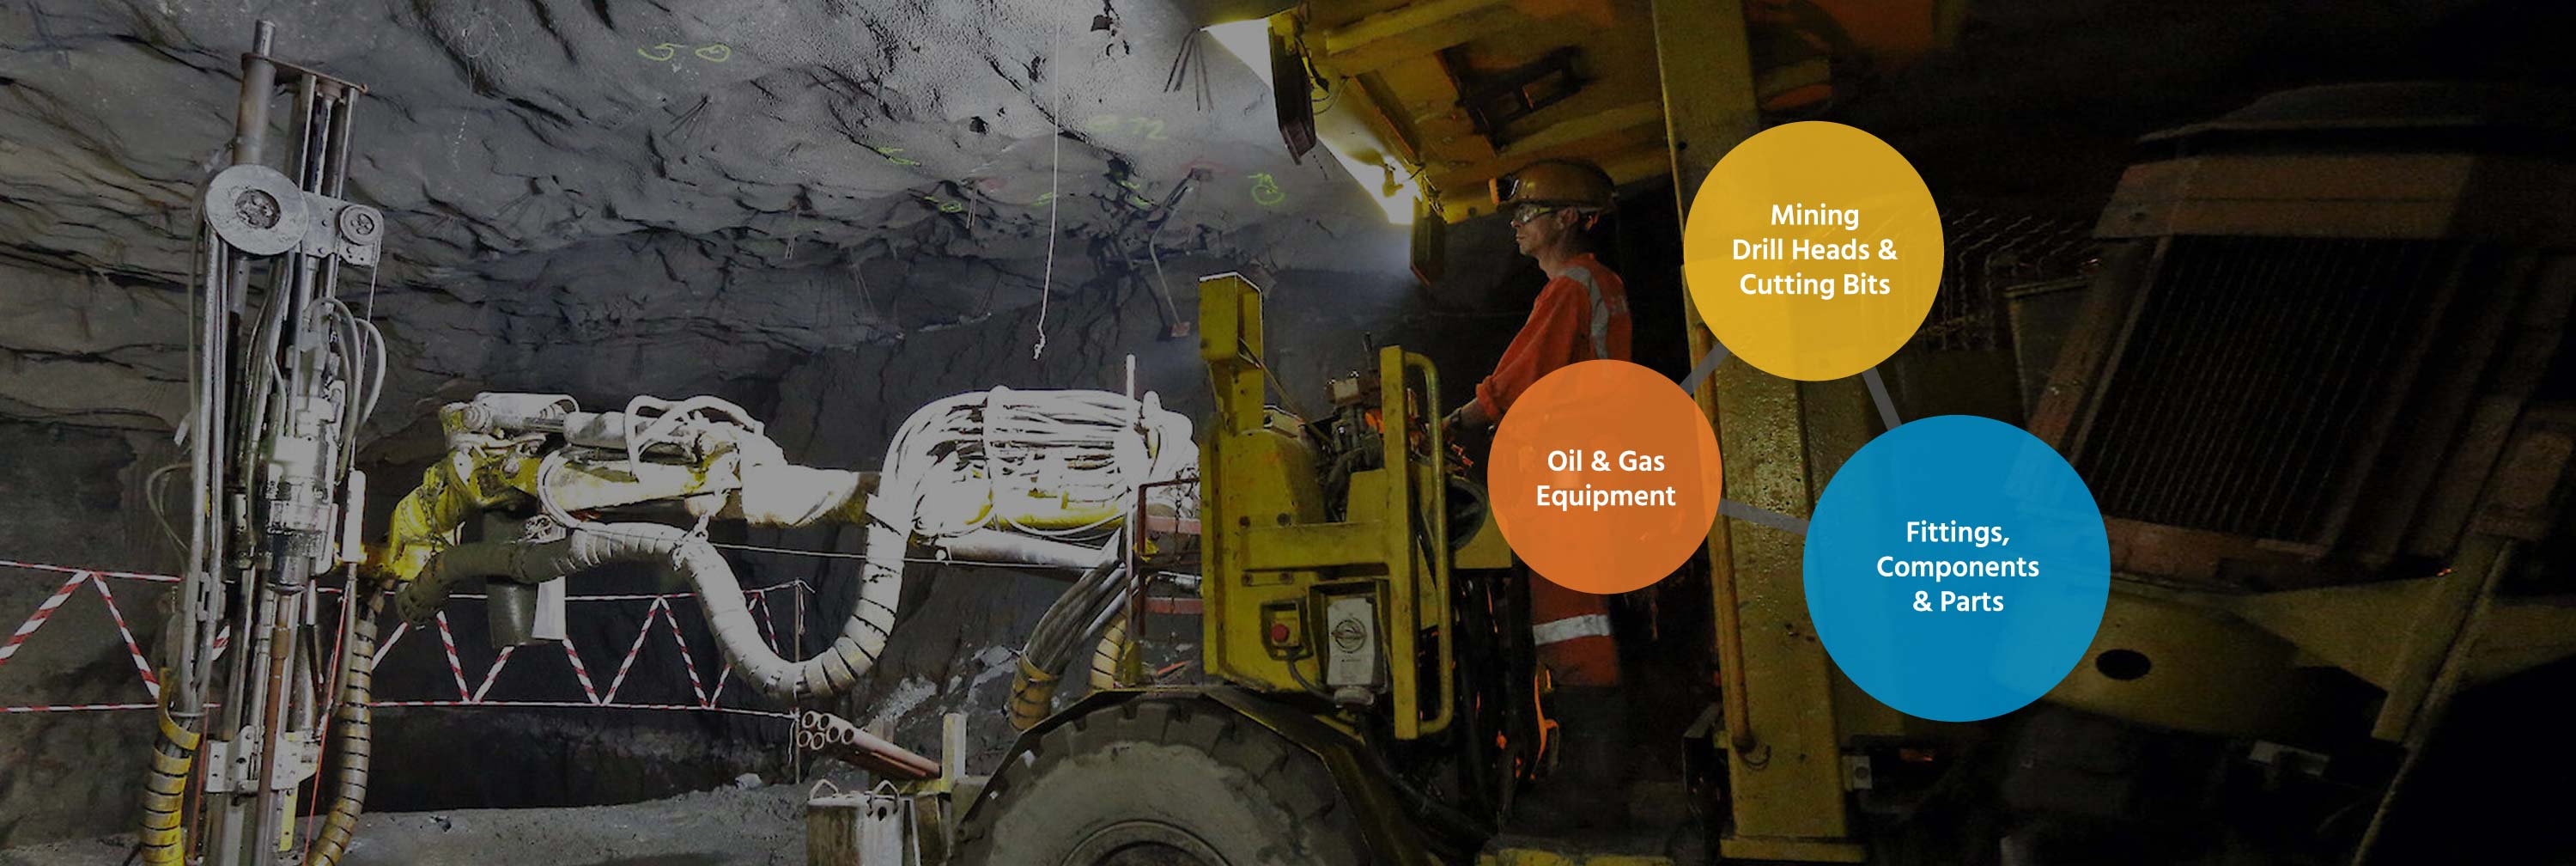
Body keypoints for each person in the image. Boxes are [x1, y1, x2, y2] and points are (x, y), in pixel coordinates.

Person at [1446, 158, 1637, 829]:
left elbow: (1520, 378)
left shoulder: (1570, 288)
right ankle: (1588, 775)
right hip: (1589, 471)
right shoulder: (1600, 285)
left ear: (1568, 219)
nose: (1518, 226)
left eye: (1530, 213)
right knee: (1576, 622)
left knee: (1570, 625)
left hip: (1572, 479)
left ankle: (1592, 793)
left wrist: (1456, 419)